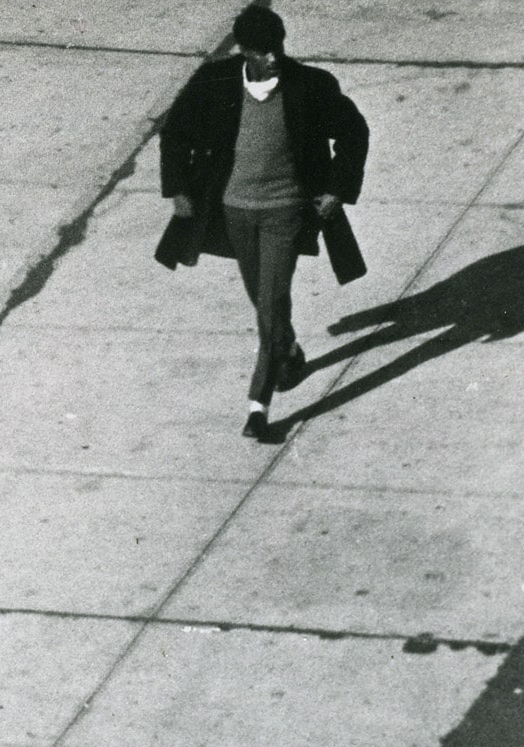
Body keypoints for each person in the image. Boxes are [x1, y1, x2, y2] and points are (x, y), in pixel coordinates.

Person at [156, 4, 370, 438]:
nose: (272, 59)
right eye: (261, 52)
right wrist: (178, 188)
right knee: (264, 299)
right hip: (234, 210)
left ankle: (258, 405)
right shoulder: (214, 81)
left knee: (270, 302)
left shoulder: (310, 85)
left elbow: (353, 131)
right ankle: (287, 351)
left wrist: (335, 188)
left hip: (285, 211)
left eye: (276, 49)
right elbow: (175, 130)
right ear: (244, 51)